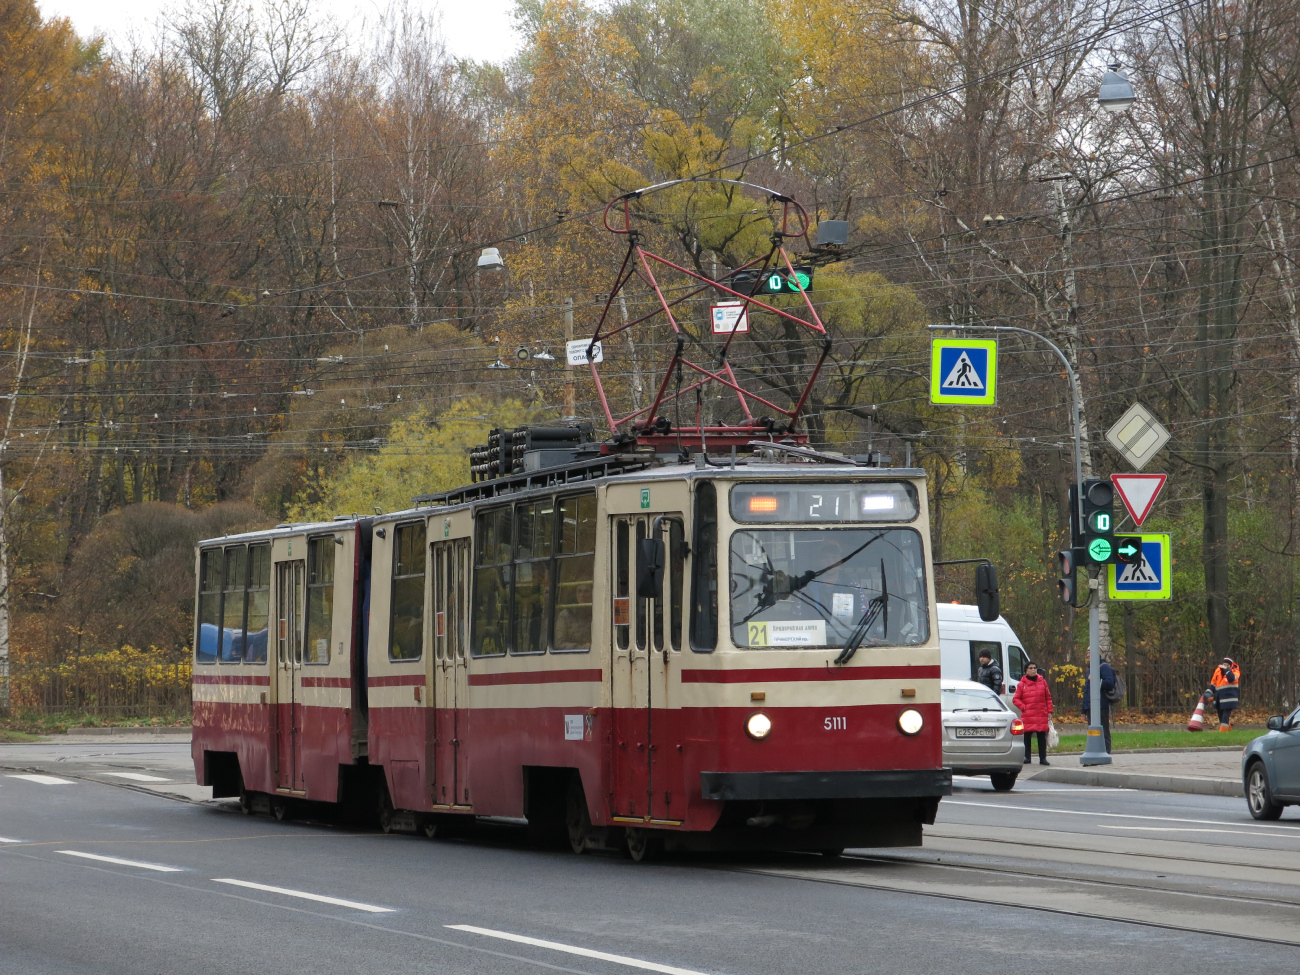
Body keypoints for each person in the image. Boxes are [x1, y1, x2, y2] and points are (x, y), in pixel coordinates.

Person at [1012, 661, 1053, 765]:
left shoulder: (1042, 682)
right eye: (1030, 668)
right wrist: (1024, 707)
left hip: (1040, 714)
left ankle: (1043, 758)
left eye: (1034, 667)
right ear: (1026, 670)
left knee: (1041, 737)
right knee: (1027, 737)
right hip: (1028, 714)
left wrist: (1049, 711)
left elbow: (1048, 697)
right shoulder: (1022, 684)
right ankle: (1027, 757)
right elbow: (1016, 699)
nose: (1033, 669)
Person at [1081, 658, 1117, 753]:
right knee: (1092, 731)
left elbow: (1110, 683)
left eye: (1089, 652)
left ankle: (1106, 753)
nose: (1088, 655)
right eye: (1087, 653)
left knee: (1104, 731)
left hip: (1101, 705)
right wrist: (1084, 710)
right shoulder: (1089, 669)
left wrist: (1096, 680)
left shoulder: (1104, 667)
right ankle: (1095, 752)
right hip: (1090, 706)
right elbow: (1086, 691)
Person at [1210, 657, 1240, 731]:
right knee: (1220, 715)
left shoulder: (1235, 671)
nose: (1225, 666)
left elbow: (1231, 678)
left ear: (1231, 666)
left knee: (1225, 716)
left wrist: (1227, 670)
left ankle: (1223, 731)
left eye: (1227, 665)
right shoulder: (1218, 671)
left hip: (1230, 697)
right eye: (1224, 664)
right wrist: (1209, 692)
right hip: (1219, 698)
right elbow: (1213, 684)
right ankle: (1228, 729)